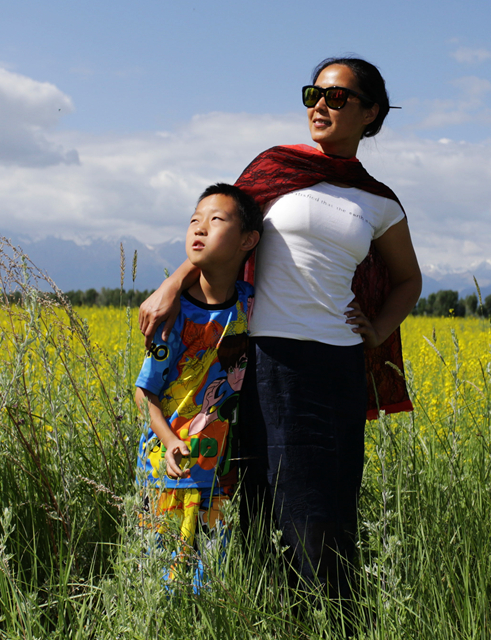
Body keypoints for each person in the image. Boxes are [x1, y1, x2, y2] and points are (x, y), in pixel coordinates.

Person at [138, 57, 423, 614]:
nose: (320, 104)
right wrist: (173, 284)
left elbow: (408, 279)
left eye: (337, 97)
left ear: (371, 113)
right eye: (312, 93)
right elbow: (219, 233)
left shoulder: (379, 201)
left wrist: (377, 330)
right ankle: (270, 611)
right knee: (264, 496)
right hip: (264, 359)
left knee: (326, 502)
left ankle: (333, 615)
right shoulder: (274, 169)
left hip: (338, 366)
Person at [132, 182, 262, 592]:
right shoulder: (174, 316)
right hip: (165, 470)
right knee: (158, 582)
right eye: (194, 221)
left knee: (211, 585)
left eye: (215, 220)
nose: (199, 229)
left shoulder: (251, 304)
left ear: (249, 240)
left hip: (219, 475)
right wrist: (170, 440)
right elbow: (144, 393)